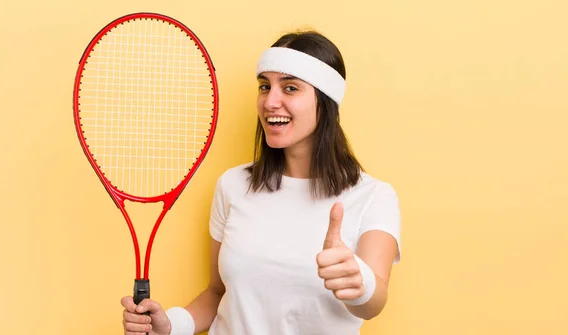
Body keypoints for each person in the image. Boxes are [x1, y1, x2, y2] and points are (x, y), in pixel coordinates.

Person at [121, 30, 401, 335]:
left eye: (290, 88)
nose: (270, 101)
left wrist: (359, 282)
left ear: (326, 99)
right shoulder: (233, 185)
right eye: (265, 86)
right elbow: (218, 292)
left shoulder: (373, 196)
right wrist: (171, 324)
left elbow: (374, 303)